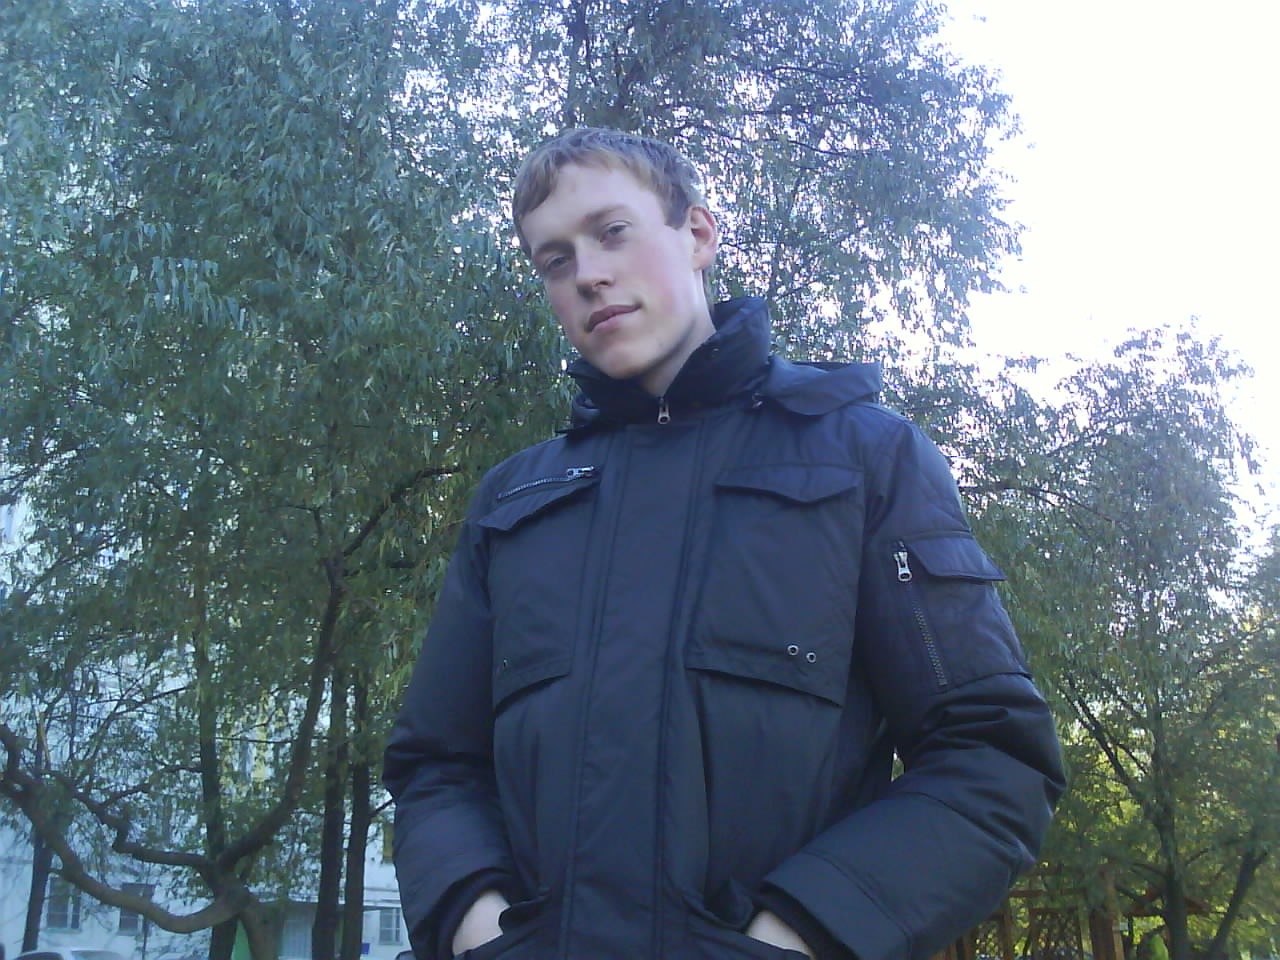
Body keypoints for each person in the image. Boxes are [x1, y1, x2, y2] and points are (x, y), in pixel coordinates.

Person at [384, 127, 1065, 960]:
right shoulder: (512, 502)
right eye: (554, 260)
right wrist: (477, 929)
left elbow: (991, 755)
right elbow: (436, 766)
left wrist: (799, 934)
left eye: (612, 232)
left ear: (699, 233)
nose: (587, 274)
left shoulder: (863, 458)